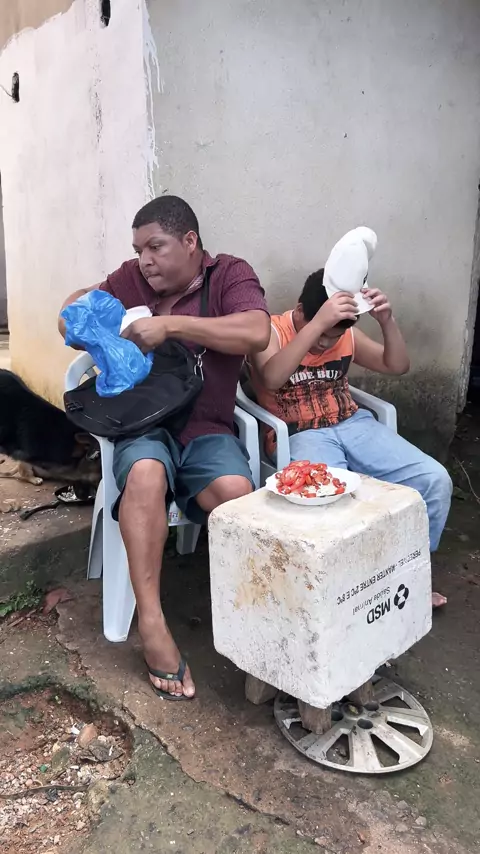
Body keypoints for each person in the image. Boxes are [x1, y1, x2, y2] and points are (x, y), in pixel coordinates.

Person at [59, 195, 270, 700]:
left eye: (155, 247)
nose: (145, 260)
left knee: (237, 494)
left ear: (190, 241)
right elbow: (70, 318)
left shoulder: (229, 275)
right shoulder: (130, 279)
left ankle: (254, 620)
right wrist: (81, 312)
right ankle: (151, 623)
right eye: (139, 250)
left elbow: (257, 331)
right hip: (141, 425)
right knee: (146, 473)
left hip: (207, 427)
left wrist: (171, 325)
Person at [249, 269, 452, 608]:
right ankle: (347, 592)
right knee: (333, 503)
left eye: (333, 337)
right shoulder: (270, 330)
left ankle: (408, 574)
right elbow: (271, 378)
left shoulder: (346, 336)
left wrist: (387, 321)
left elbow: (397, 365)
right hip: (300, 434)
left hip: (353, 424)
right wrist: (318, 324)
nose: (325, 344)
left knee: (434, 480)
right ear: (300, 311)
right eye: (322, 335)